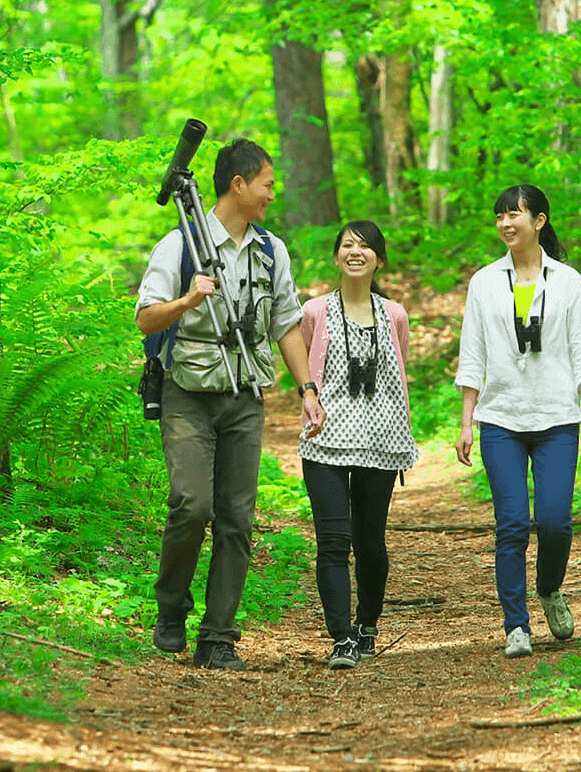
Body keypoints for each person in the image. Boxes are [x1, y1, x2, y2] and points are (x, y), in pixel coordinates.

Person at [135, 138, 326, 670]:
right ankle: (171, 606)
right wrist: (188, 300)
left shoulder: (271, 250)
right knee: (191, 505)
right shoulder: (179, 245)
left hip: (245, 396)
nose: (272, 193)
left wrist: (307, 389)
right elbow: (146, 318)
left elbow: (285, 323)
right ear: (238, 184)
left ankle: (218, 636)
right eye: (267, 183)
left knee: (237, 519)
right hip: (188, 395)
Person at [454, 184, 581, 659]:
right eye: (499, 215)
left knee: (555, 522)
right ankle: (515, 625)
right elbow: (472, 354)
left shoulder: (567, 281)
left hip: (557, 417)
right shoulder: (483, 282)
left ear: (538, 220)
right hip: (500, 418)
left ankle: (550, 588)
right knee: (513, 523)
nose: (505, 223)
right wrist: (466, 422)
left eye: (514, 214)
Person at [297, 220, 417, 669]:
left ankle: (368, 623)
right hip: (323, 441)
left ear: (379, 260)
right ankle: (341, 637)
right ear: (336, 256)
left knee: (370, 540)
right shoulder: (314, 312)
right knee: (332, 540)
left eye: (365, 247)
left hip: (381, 442)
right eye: (347, 244)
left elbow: (398, 372)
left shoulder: (395, 314)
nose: (355, 252)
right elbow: (305, 363)